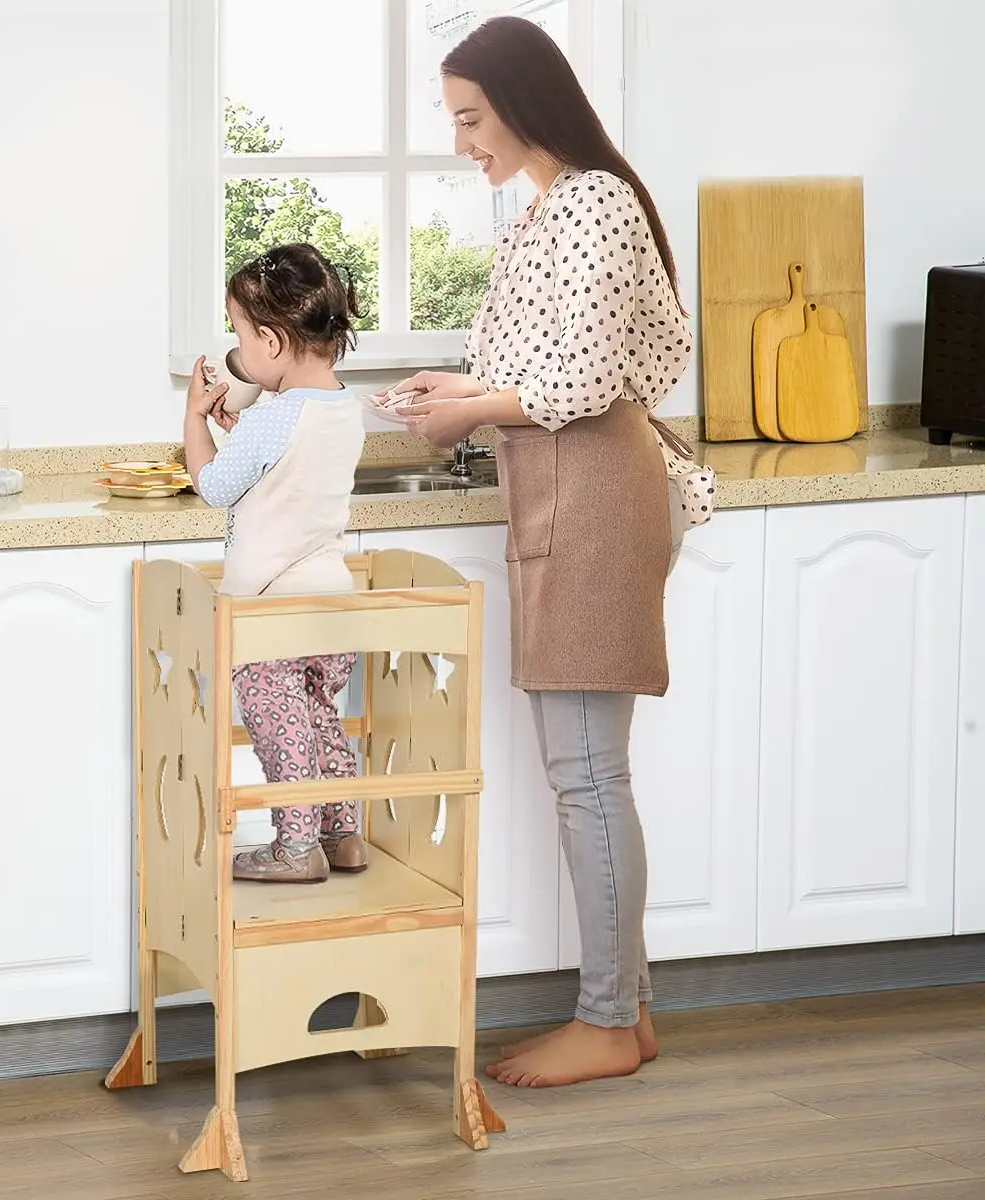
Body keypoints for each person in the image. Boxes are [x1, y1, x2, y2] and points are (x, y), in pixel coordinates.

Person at [392, 17, 715, 1087]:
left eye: (470, 117)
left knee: (585, 774)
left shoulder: (592, 205)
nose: (459, 142)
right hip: (569, 484)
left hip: (594, 490)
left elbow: (577, 387)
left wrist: (469, 413)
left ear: (527, 103)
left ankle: (608, 1022)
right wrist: (462, 396)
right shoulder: (550, 210)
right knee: (587, 770)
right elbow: (559, 370)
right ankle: (630, 1013)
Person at [183, 242, 368, 884]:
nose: (236, 344)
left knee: (280, 729)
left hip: (271, 610)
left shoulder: (273, 417)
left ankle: (296, 847)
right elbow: (290, 474)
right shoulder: (345, 407)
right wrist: (242, 431)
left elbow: (214, 485)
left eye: (238, 330)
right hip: (329, 603)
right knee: (319, 719)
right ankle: (343, 834)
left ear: (271, 341)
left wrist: (196, 421)